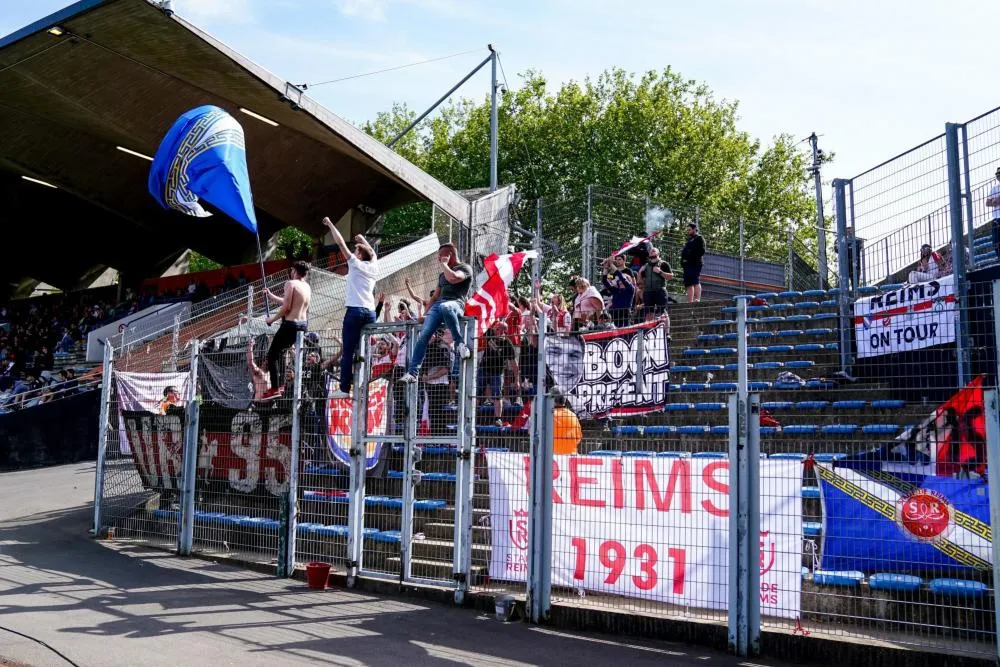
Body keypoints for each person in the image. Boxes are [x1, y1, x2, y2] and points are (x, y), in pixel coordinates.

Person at [399, 244, 473, 384]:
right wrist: (425, 314)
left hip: (456, 303)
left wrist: (444, 264)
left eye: (441, 255)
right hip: (439, 305)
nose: (439, 259)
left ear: (450, 254)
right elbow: (434, 297)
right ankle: (412, 373)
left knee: (446, 307)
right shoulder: (441, 276)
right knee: (423, 336)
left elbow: (453, 278)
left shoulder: (465, 268)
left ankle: (460, 344)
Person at [322, 216, 378, 399]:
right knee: (363, 350)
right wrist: (363, 240)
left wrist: (331, 224)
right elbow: (373, 253)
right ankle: (364, 382)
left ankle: (344, 388)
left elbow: (339, 242)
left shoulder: (355, 263)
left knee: (347, 351)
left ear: (360, 255)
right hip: (370, 312)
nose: (353, 252)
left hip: (355, 310)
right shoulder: (374, 266)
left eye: (356, 251)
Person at [262, 260, 312, 399]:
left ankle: (275, 388)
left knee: (272, 355)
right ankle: (281, 384)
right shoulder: (306, 286)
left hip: (290, 324)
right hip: (302, 325)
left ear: (295, 271)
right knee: (282, 352)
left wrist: (271, 319)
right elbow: (290, 302)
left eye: (292, 270)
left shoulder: (290, 283)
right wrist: (271, 296)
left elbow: (286, 307)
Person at [637, 246, 673, 324]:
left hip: (660, 290)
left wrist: (660, 272)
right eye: (650, 251)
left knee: (662, 313)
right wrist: (640, 272)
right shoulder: (646, 266)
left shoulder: (663, 264)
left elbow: (670, 276)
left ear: (658, 253)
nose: (651, 252)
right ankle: (649, 333)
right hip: (648, 292)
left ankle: (666, 333)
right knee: (648, 314)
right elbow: (639, 282)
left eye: (653, 251)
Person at [601, 255, 637, 328]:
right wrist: (606, 267)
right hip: (615, 314)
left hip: (625, 315)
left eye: (619, 259)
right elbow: (605, 280)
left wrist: (611, 264)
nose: (620, 280)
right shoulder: (615, 290)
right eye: (616, 260)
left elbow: (622, 277)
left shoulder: (630, 288)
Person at [551, 387, 582, 456]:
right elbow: (578, 437)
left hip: (553, 455)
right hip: (572, 454)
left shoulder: (548, 415)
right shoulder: (573, 415)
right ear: (564, 400)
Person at [680, 223, 706, 303]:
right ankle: (690, 301)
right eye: (687, 230)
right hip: (687, 265)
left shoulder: (699, 238)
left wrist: (690, 255)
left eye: (689, 230)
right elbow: (684, 253)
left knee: (695, 280)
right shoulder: (688, 240)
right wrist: (683, 261)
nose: (688, 231)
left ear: (694, 229)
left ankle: (697, 299)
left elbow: (702, 251)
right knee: (688, 283)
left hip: (696, 263)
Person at [988, 166, 1000, 258]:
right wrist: (996, 200)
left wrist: (995, 200)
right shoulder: (994, 188)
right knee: (995, 242)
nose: (998, 175)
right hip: (996, 218)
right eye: (997, 174)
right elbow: (987, 203)